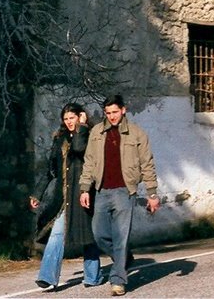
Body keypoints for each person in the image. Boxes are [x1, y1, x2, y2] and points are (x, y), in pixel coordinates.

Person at [79, 95, 160, 297]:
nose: (112, 116)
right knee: (98, 234)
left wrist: (152, 193)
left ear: (123, 110)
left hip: (125, 191)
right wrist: (84, 189)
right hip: (101, 191)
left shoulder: (137, 134)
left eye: (115, 112)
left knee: (121, 236)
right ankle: (123, 258)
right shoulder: (97, 132)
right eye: (108, 113)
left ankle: (118, 281)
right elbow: (89, 162)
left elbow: (147, 164)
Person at [30, 103, 101, 290]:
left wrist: (82, 128)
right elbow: (50, 169)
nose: (69, 122)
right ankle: (47, 276)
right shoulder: (59, 139)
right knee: (57, 233)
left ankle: (92, 277)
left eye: (73, 117)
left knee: (88, 235)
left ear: (81, 117)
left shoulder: (89, 135)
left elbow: (78, 148)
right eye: (66, 118)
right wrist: (38, 193)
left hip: (85, 194)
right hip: (64, 197)